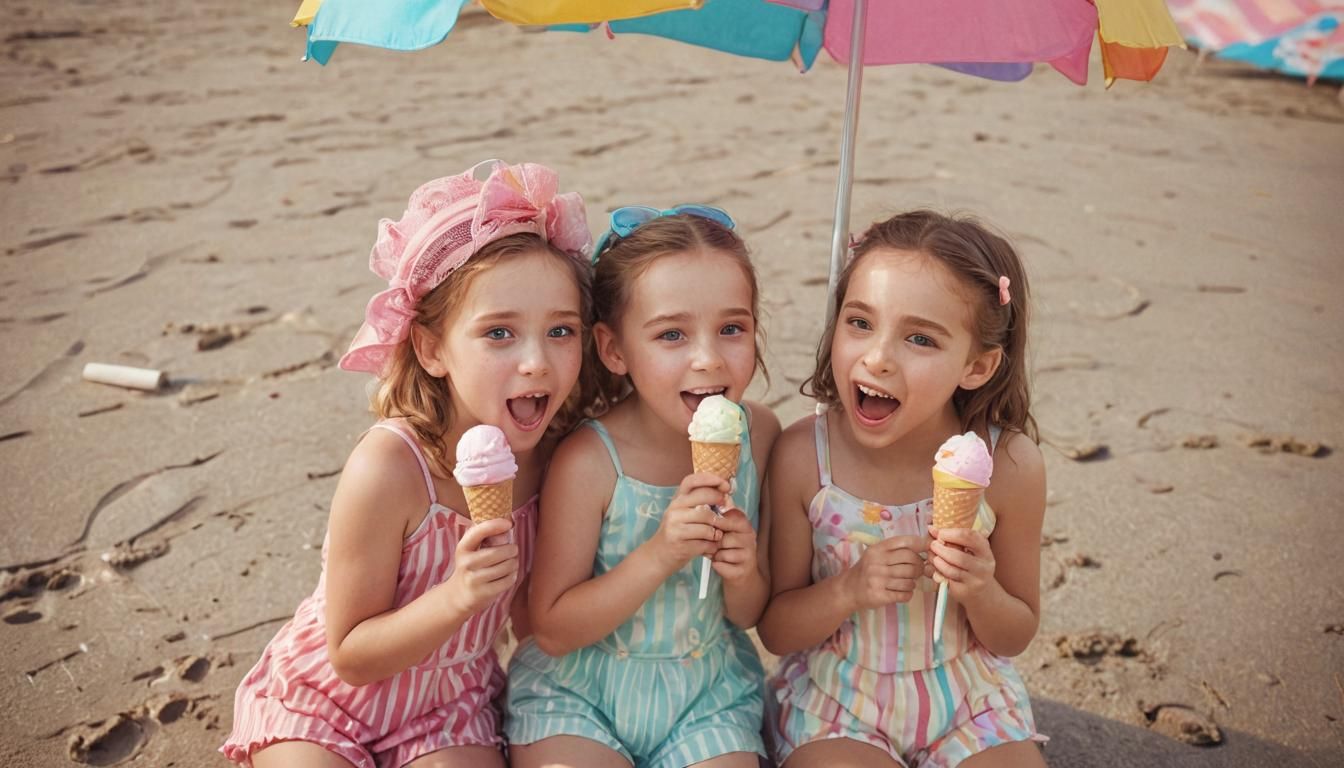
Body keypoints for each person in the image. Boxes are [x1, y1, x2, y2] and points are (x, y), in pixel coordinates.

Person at [221, 160, 593, 768]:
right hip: (323, 702)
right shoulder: (390, 468)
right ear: (431, 348)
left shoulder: (558, 457)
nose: (537, 362)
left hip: (448, 706)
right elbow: (349, 652)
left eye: (561, 330)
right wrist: (458, 596)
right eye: (499, 333)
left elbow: (532, 616)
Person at [758, 210, 1048, 768]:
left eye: (919, 338)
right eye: (859, 322)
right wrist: (849, 590)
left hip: (968, 697)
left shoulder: (1009, 466)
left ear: (978, 364)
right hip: (840, 697)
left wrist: (981, 590)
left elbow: (1016, 634)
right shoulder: (804, 458)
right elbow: (776, 628)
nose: (878, 357)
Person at [506, 206, 781, 768]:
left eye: (732, 328)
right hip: (579, 694)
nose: (708, 358)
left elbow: (749, 613)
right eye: (671, 334)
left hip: (705, 695)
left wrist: (745, 570)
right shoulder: (591, 460)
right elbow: (553, 628)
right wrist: (661, 553)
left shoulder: (761, 436)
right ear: (614, 350)